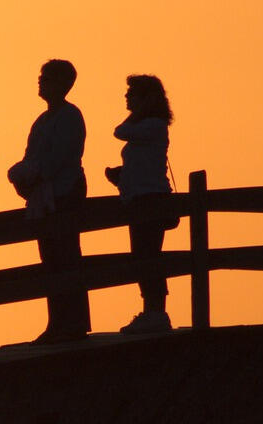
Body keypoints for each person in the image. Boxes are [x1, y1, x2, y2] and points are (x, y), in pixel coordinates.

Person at [8, 59, 90, 344]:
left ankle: (74, 322)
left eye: (46, 78)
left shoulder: (70, 116)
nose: (40, 82)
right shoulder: (41, 121)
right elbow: (31, 155)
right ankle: (57, 321)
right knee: (50, 259)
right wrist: (24, 176)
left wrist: (33, 175)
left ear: (62, 83)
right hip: (44, 196)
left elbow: (60, 157)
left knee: (66, 255)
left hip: (64, 192)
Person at [108, 75, 177, 334]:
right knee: (143, 255)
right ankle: (152, 310)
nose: (127, 97)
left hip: (151, 199)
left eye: (132, 93)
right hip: (140, 198)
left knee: (148, 256)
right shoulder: (149, 126)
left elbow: (120, 131)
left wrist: (138, 111)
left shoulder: (154, 125)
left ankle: (156, 311)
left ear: (147, 99)